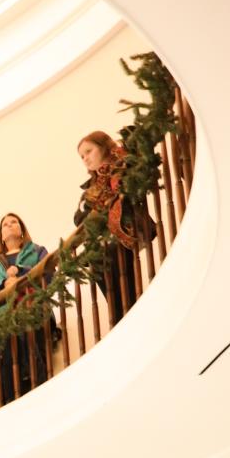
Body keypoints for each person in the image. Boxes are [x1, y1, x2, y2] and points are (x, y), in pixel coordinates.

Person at [0, 213, 51, 412]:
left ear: (21, 229)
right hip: (2, 321)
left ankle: (38, 388)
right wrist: (2, 283)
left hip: (33, 312)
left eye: (13, 222)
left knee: (22, 335)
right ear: (1, 235)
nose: (9, 226)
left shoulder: (37, 251)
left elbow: (49, 273)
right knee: (3, 342)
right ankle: (10, 401)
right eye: (4, 225)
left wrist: (21, 274)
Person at [73, 133, 154, 327]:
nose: (85, 158)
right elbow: (78, 219)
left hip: (127, 228)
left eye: (88, 151)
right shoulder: (94, 185)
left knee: (110, 259)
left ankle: (128, 315)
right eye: (81, 156)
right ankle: (121, 317)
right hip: (109, 240)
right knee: (97, 260)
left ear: (104, 147)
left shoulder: (122, 165)